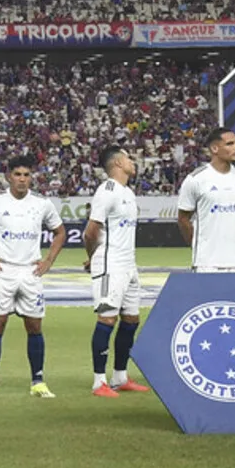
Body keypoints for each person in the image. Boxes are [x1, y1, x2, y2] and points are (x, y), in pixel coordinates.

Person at [0, 154, 66, 399]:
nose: (22, 179)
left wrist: (49, 260)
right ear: (9, 176)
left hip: (31, 271)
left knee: (34, 326)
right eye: (18, 175)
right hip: (4, 270)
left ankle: (38, 382)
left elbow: (60, 232)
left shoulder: (42, 204)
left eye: (27, 175)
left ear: (32, 177)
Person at [84, 146, 151, 398]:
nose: (133, 161)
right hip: (110, 264)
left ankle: (120, 377)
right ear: (119, 162)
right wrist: (93, 259)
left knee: (131, 320)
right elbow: (90, 232)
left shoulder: (128, 193)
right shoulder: (107, 191)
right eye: (130, 158)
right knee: (107, 319)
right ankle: (98, 382)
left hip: (129, 265)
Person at [176, 126, 235, 272]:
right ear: (214, 148)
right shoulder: (196, 179)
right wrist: (198, 245)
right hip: (207, 262)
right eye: (230, 144)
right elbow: (183, 218)